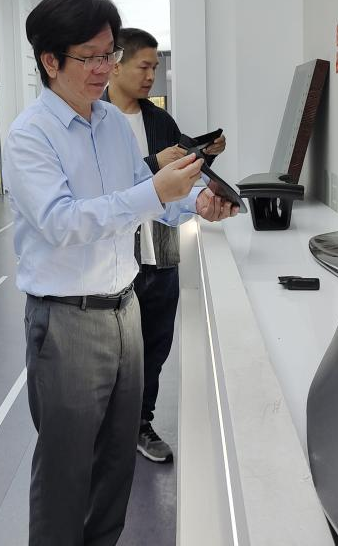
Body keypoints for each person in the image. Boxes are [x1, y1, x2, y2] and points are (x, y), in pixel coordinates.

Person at [2, 0, 237, 546]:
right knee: (65, 474)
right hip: (67, 321)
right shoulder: (30, 135)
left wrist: (196, 202)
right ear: (50, 61)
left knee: (115, 468)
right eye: (90, 57)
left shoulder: (110, 122)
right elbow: (62, 222)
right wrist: (155, 191)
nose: (104, 68)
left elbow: (143, 197)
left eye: (109, 54)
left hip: (124, 310)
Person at [105, 28, 227, 463]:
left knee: (155, 348)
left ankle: (141, 424)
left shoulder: (159, 121)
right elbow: (102, 188)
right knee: (114, 355)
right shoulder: (96, 123)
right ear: (116, 65)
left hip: (160, 254)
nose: (151, 76)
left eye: (155, 68)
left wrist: (205, 155)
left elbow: (182, 182)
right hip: (115, 262)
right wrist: (152, 163)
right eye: (144, 66)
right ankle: (110, 429)